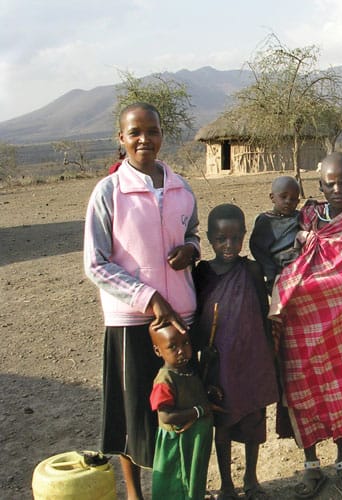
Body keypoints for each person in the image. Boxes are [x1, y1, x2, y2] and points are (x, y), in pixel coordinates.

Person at [84, 102, 199, 500]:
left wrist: (191, 249)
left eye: (151, 131)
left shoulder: (182, 188)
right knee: (132, 415)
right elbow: (95, 264)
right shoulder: (108, 192)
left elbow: (194, 233)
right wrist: (148, 298)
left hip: (181, 321)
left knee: (181, 408)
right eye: (134, 133)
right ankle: (135, 494)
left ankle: (181, 489)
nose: (144, 140)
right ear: (122, 138)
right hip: (131, 322)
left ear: (162, 135)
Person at [270, 152, 342, 498]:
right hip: (299, 321)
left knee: (339, 390)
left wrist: (317, 284)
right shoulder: (307, 216)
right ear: (319, 185)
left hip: (340, 322)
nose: (337, 189)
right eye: (329, 183)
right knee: (302, 391)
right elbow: (278, 250)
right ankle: (311, 466)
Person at [192, 203, 279, 500]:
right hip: (220, 364)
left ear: (244, 235)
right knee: (223, 424)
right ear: (209, 238)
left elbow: (262, 312)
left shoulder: (252, 270)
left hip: (252, 360)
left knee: (254, 420)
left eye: (234, 238)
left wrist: (269, 356)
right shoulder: (203, 273)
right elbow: (197, 316)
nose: (228, 245)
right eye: (220, 239)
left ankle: (251, 479)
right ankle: (227, 484)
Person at [149, 323, 214, 500]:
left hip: (193, 441)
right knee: (177, 483)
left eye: (186, 343)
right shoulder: (165, 380)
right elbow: (166, 416)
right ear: (158, 351)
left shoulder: (188, 372)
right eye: (173, 346)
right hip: (177, 443)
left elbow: (193, 391)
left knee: (193, 478)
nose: (181, 351)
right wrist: (199, 411)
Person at [249, 176, 302, 294]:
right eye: (283, 197)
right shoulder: (265, 221)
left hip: (300, 267)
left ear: (298, 202)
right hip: (278, 268)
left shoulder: (299, 218)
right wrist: (270, 271)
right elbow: (258, 249)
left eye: (293, 199)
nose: (288, 201)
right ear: (272, 197)